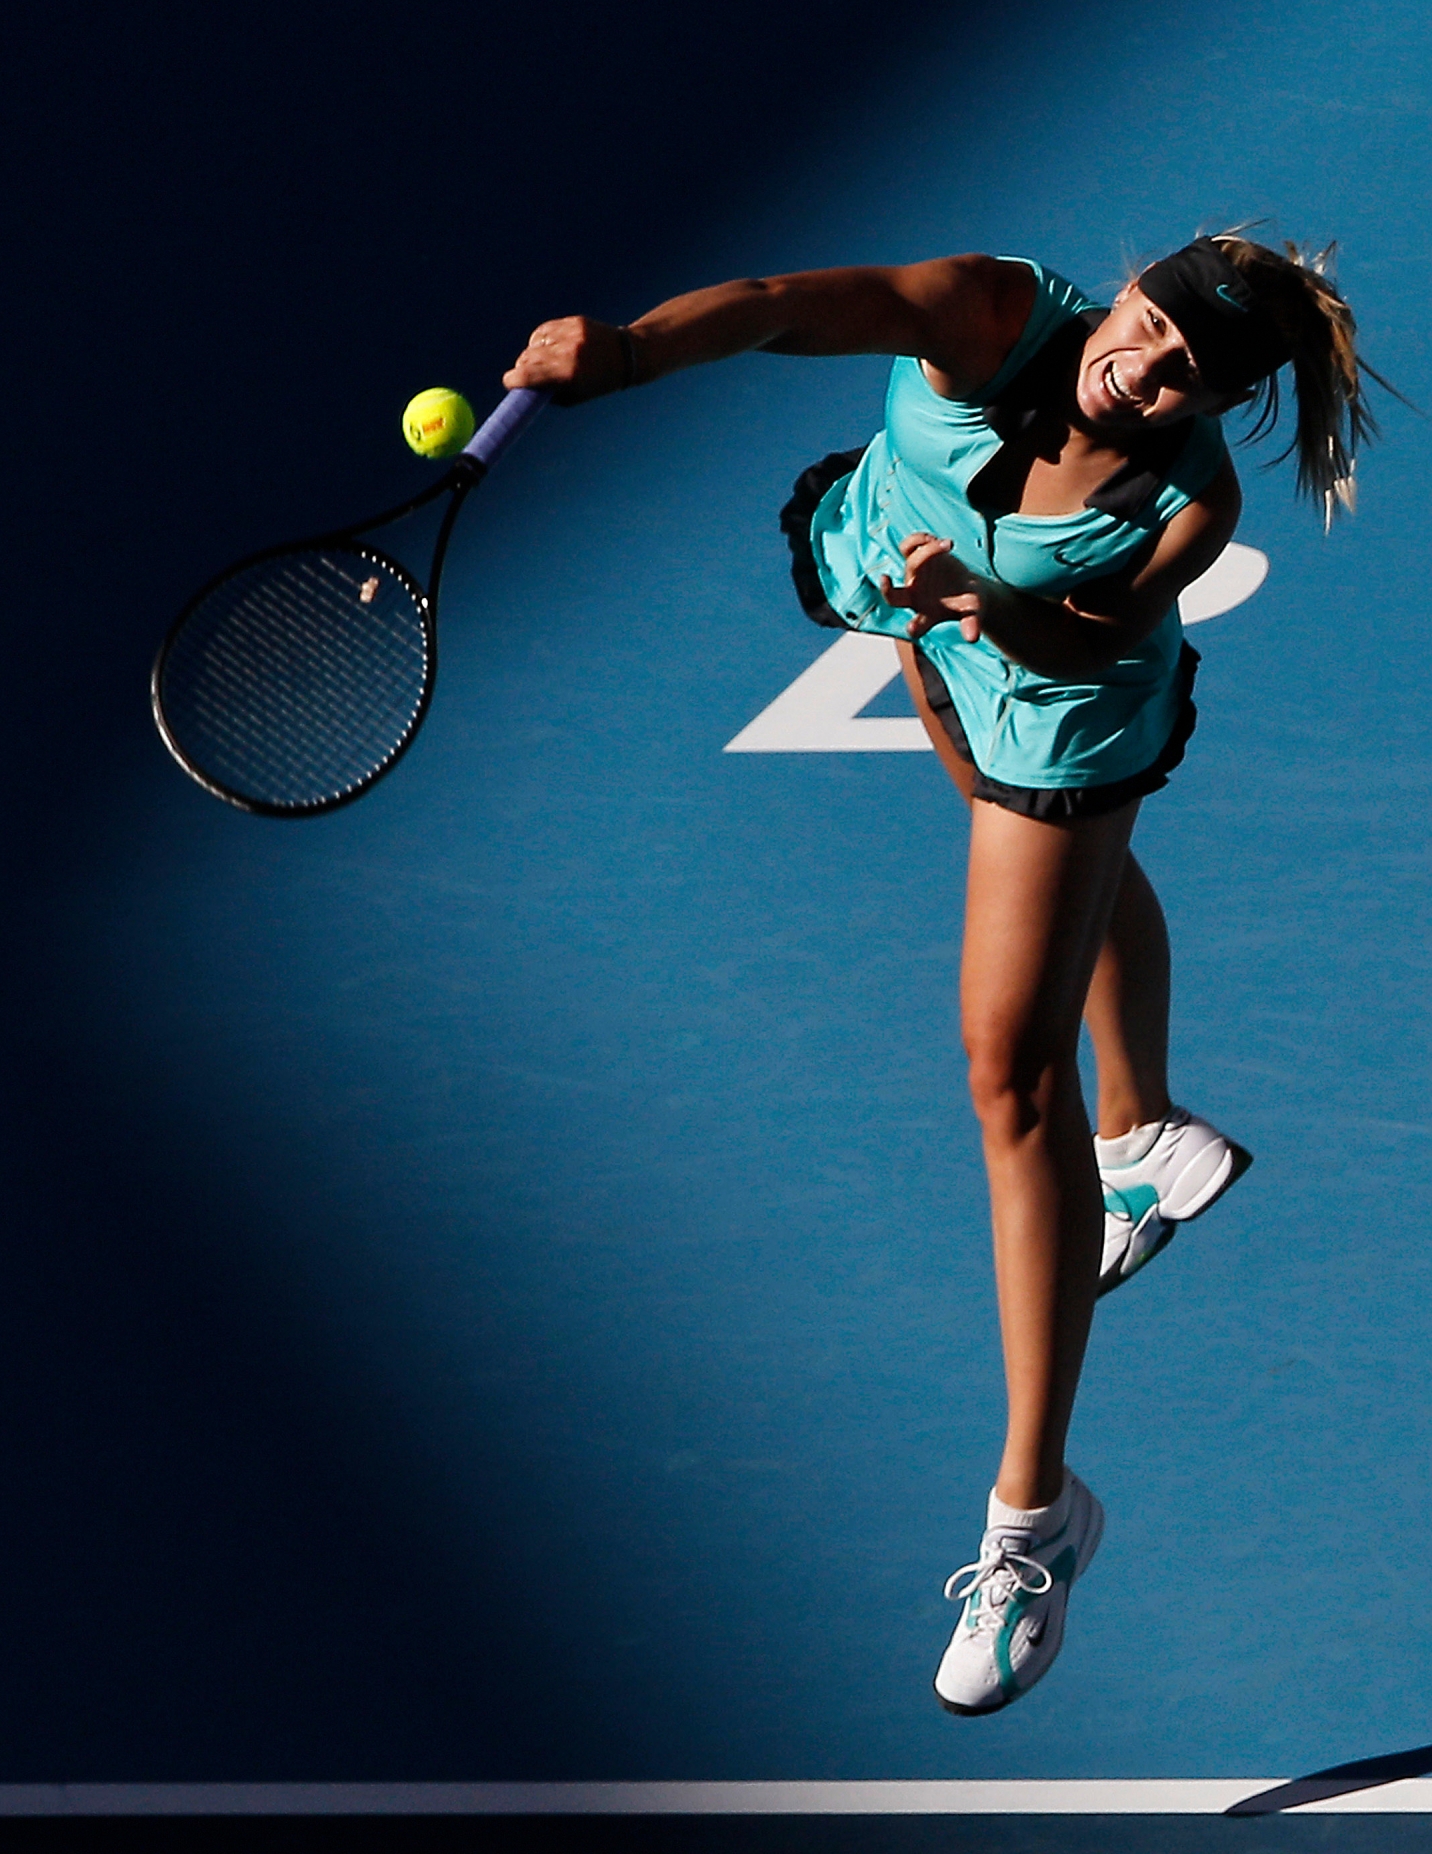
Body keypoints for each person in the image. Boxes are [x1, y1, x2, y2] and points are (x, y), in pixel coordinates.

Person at [503, 235, 1375, 1715]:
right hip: (911, 582)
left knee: (1008, 1077)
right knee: (1050, 865)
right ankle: (1151, 1128)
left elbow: (1082, 629)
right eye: (1149, 325)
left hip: (1056, 696)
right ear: (1126, 290)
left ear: (1226, 399)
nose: (1146, 369)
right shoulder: (985, 309)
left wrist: (981, 601)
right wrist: (634, 351)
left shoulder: (1190, 506)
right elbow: (782, 305)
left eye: (1189, 375)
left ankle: (1036, 1523)